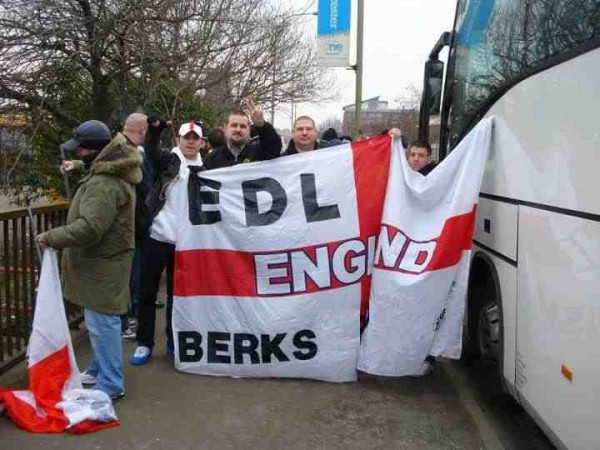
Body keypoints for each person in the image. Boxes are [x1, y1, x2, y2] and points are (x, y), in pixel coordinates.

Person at [37, 119, 143, 400]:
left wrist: (50, 237)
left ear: (93, 150)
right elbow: (97, 168)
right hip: (109, 261)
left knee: (102, 324)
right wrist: (78, 166)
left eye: (81, 150)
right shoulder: (114, 168)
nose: (77, 153)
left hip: (101, 265)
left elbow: (89, 229)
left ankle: (111, 383)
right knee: (104, 321)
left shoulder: (104, 184)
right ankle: (99, 370)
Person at [130, 119, 205, 365]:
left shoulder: (207, 168)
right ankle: (144, 343)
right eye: (186, 137)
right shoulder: (168, 160)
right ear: (178, 139)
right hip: (157, 237)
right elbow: (151, 149)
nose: (191, 142)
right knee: (147, 293)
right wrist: (154, 128)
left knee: (178, 296)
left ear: (202, 142)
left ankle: (174, 340)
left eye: (195, 138)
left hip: (186, 242)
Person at [202, 95, 281, 169]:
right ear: (225, 128)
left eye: (243, 126)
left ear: (249, 129)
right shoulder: (211, 160)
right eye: (234, 125)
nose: (238, 129)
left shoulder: (259, 155)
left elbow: (274, 148)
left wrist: (261, 125)